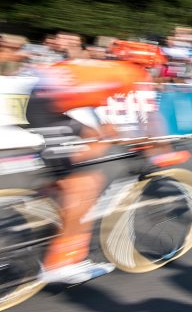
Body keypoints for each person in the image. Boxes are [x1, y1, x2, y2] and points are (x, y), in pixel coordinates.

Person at [26, 58, 152, 284]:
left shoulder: (106, 67)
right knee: (87, 183)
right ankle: (63, 264)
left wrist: (101, 132)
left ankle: (48, 197)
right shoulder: (131, 75)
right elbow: (147, 121)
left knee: (87, 146)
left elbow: (96, 105)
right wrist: (156, 147)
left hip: (43, 105)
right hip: (45, 109)